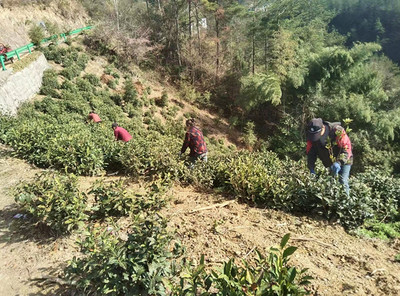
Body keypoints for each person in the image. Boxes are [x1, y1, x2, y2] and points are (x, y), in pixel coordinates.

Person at [306, 118, 353, 195]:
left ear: (323, 128)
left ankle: (346, 203)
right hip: (329, 162)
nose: (315, 137)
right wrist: (311, 168)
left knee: (342, 181)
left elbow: (346, 149)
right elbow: (311, 153)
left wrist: (339, 162)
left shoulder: (337, 130)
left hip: (345, 160)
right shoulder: (311, 135)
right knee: (330, 184)